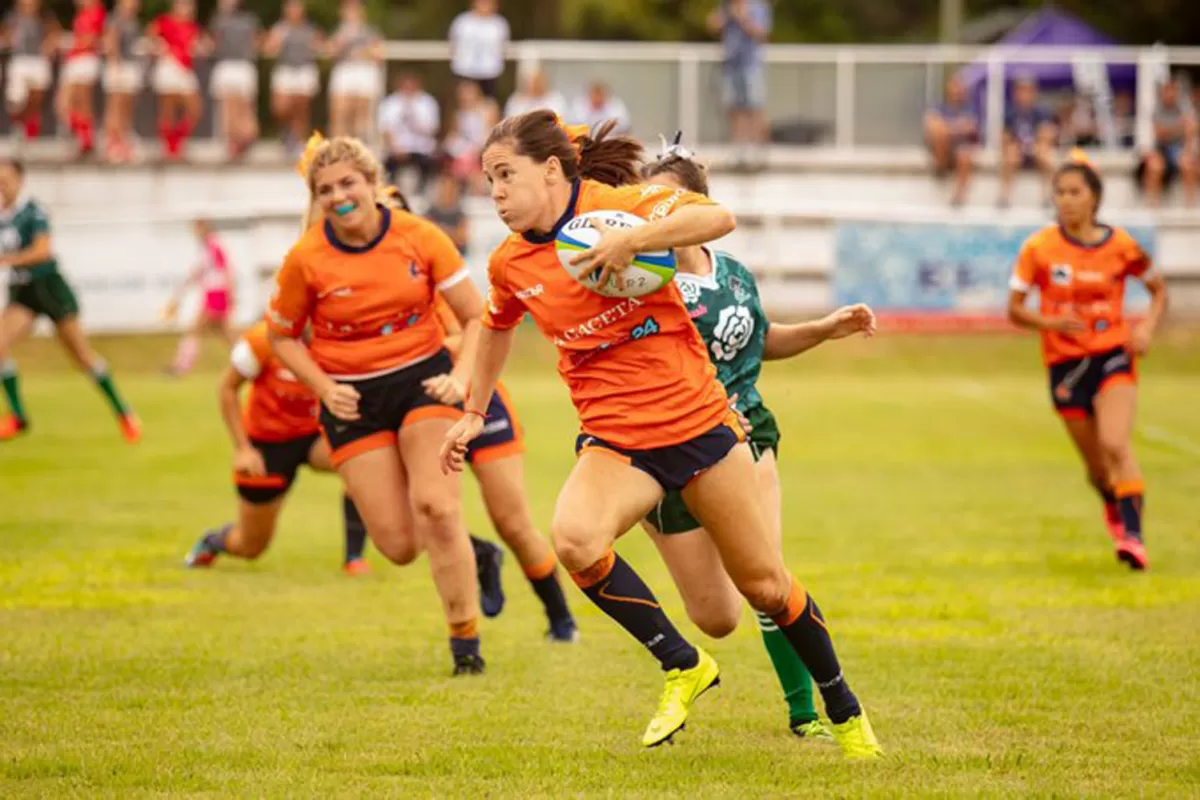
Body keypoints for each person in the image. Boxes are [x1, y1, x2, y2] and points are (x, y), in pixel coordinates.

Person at [441, 110, 881, 757]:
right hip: (616, 440)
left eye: (506, 176)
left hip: (701, 426)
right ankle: (682, 664)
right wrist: (474, 412)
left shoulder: (616, 207)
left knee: (761, 587)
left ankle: (843, 710)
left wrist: (635, 238)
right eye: (489, 181)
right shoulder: (512, 263)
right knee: (575, 539)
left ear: (553, 169)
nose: (496, 193)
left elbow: (717, 219)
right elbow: (497, 327)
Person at [639, 134, 877, 738]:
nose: (657, 215)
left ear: (701, 207)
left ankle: (808, 714)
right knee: (716, 617)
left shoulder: (736, 275)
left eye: (669, 203)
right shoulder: (644, 284)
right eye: (647, 205)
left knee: (768, 578)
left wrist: (825, 328)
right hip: (672, 446)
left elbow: (758, 341)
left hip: (747, 434)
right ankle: (692, 664)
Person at [268, 136, 488, 676]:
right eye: (325, 190)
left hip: (423, 382)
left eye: (347, 183)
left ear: (373, 184)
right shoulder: (306, 258)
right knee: (396, 544)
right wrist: (323, 387)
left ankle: (466, 647)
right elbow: (282, 336)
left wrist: (460, 378)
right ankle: (471, 550)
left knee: (438, 508)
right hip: (351, 398)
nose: (339, 196)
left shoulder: (420, 236)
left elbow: (478, 315)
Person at [1008, 152, 1168, 571]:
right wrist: (1049, 320)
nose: (1066, 199)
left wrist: (1146, 328)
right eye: (1059, 192)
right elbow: (1014, 309)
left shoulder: (1121, 246)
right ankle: (1113, 507)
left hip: (1113, 355)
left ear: (1094, 198)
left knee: (1116, 444)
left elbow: (1158, 290)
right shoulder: (1039, 248)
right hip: (1064, 366)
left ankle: (1134, 538)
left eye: (1075, 191)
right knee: (1098, 469)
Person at [427, 291, 578, 640]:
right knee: (422, 515)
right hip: (422, 409)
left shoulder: (432, 281)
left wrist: (424, 351)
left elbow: (475, 329)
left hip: (482, 403)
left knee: (513, 523)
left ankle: (561, 618)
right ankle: (479, 552)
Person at [185, 320, 370, 574]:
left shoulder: (341, 338)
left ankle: (353, 558)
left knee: (363, 462)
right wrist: (243, 449)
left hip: (314, 434)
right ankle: (213, 541)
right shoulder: (262, 340)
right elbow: (227, 388)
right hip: (267, 444)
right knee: (250, 546)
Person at [0, 158, 140, 443]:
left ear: (19, 181)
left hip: (49, 287)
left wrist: (8, 260)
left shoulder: (33, 211)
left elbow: (42, 251)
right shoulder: (2, 215)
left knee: (81, 356)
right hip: (23, 292)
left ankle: (123, 411)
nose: (1, 186)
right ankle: (18, 416)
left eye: (5, 180)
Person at [163, 219, 237, 377]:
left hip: (216, 294)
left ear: (204, 228)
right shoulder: (207, 247)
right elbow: (200, 271)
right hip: (214, 293)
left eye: (197, 228)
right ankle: (250, 361)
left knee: (195, 330)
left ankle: (181, 367)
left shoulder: (213, 246)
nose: (195, 232)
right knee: (225, 334)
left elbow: (225, 271)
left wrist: (230, 294)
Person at [708, 0, 772, 168]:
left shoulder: (758, 6)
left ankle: (760, 153)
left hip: (751, 65)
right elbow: (713, 26)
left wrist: (743, 18)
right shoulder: (726, 6)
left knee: (755, 108)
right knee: (735, 109)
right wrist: (726, 16)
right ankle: (739, 152)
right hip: (730, 64)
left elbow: (762, 34)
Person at [148, 0, 206, 161]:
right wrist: (160, 47)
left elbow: (196, 44)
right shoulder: (165, 21)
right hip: (169, 65)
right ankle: (170, 148)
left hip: (185, 68)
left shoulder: (192, 26)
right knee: (168, 110)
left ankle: (176, 141)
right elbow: (151, 35)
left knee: (195, 109)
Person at [265, 0, 322, 156]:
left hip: (304, 69)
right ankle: (285, 132)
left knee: (301, 108)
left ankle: (297, 141)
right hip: (286, 69)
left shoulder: (309, 29)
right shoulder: (280, 28)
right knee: (280, 107)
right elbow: (269, 50)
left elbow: (320, 46)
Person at [209, 0, 261, 161]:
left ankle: (243, 140)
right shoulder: (218, 20)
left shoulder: (249, 20)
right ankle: (233, 145)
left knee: (243, 109)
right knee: (228, 108)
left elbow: (257, 40)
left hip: (242, 66)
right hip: (227, 65)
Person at [1137, 77, 1198, 208]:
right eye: (1168, 91)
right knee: (1154, 167)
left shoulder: (1183, 109)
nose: (1171, 94)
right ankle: (1153, 204)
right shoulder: (1157, 109)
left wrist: (1186, 149)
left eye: (1173, 91)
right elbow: (1160, 134)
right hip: (1162, 148)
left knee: (1188, 165)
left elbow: (1191, 130)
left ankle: (1191, 205)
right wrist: (1179, 127)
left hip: (1178, 148)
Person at [326, 0, 383, 140]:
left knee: (361, 115)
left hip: (364, 71)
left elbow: (379, 54)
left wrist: (364, 53)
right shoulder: (338, 31)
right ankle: (339, 148)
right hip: (344, 70)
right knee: (339, 112)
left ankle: (358, 149)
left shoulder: (371, 31)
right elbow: (330, 51)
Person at [3, 0, 57, 143]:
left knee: (37, 97)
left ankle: (30, 130)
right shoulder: (13, 17)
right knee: (17, 100)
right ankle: (19, 126)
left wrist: (49, 44)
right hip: (21, 60)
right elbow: (6, 35)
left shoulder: (45, 17)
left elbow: (54, 34)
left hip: (38, 61)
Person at [377, 73, 441, 193]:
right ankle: (391, 191)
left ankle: (423, 192)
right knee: (385, 166)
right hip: (397, 149)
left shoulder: (428, 102)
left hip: (421, 148)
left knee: (431, 162)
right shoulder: (390, 102)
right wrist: (395, 148)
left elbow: (432, 129)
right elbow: (385, 129)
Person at [1000, 76, 1057, 208]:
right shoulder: (1010, 113)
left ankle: (1047, 195)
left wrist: (1035, 143)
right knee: (1010, 153)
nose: (1024, 95)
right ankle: (1005, 195)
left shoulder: (1042, 111)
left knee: (1044, 153)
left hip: (1036, 148)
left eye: (1027, 91)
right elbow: (1004, 136)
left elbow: (1048, 133)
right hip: (1017, 149)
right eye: (1021, 91)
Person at [60, 0, 106, 157]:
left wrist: (69, 44)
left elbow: (91, 39)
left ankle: (87, 140)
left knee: (82, 102)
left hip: (85, 59)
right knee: (66, 104)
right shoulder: (82, 13)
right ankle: (83, 137)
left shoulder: (97, 11)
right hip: (76, 59)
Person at [924, 76, 978, 207]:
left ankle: (959, 196)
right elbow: (931, 125)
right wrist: (956, 128)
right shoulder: (939, 107)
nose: (957, 91)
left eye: (959, 88)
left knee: (964, 154)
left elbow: (971, 127)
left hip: (960, 149)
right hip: (943, 148)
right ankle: (940, 167)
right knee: (939, 133)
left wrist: (947, 127)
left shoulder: (969, 108)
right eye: (954, 88)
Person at [102, 0, 143, 164]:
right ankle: (112, 143)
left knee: (126, 106)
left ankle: (123, 139)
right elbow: (110, 42)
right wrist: (115, 64)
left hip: (130, 65)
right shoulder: (115, 19)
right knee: (115, 106)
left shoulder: (133, 21)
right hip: (119, 66)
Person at [443, 80, 498, 195]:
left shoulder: (488, 109)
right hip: (465, 152)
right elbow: (454, 136)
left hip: (482, 149)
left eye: (468, 93)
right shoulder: (458, 114)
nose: (465, 97)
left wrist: (476, 148)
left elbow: (491, 133)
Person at [448, 0, 509, 100]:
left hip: (489, 72)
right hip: (464, 70)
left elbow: (503, 47)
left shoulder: (499, 24)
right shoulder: (462, 21)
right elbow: (453, 43)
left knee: (487, 103)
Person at [425, 172, 469, 254]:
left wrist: (439, 229)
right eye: (444, 188)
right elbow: (425, 237)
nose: (447, 191)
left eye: (451, 188)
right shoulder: (430, 212)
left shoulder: (460, 213)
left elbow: (462, 239)